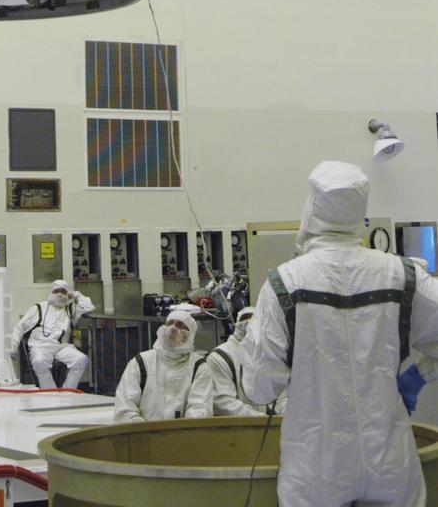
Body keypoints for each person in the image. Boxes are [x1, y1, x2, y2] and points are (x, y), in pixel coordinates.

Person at [242, 160, 438, 507]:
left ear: (312, 208)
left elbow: (259, 387)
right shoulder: (404, 276)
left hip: (316, 469)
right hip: (390, 462)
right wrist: (417, 375)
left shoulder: (284, 284)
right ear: (361, 212)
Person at [113, 306, 212, 421]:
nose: (173, 328)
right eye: (170, 323)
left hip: (182, 436)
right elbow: (125, 408)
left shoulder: (199, 367)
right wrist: (146, 434)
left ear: (190, 335)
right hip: (143, 435)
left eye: (180, 325)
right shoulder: (141, 362)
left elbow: (200, 410)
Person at [200, 307, 286, 417]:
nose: (249, 323)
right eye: (245, 318)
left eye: (255, 319)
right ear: (236, 324)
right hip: (236, 428)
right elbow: (224, 402)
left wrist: (284, 415)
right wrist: (259, 418)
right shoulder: (219, 357)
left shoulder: (271, 356)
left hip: (271, 426)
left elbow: (282, 396)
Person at [10, 279, 94, 388]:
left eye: (63, 291)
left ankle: (68, 390)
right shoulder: (39, 308)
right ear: (51, 293)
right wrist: (14, 346)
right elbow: (19, 327)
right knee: (39, 361)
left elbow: (89, 307)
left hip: (61, 347)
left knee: (81, 359)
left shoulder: (70, 309)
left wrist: (76, 294)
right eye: (56, 291)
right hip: (40, 346)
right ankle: (50, 392)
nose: (60, 294)